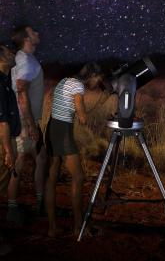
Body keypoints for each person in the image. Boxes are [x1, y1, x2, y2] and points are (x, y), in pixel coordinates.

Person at [45, 62, 104, 238]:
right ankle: (79, 227)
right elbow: (83, 117)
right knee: (78, 177)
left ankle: (52, 228)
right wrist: (95, 107)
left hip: (52, 128)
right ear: (92, 75)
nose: (96, 84)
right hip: (63, 132)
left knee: (51, 179)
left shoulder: (65, 81)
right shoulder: (78, 85)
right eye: (98, 79)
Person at [8, 25, 47, 224]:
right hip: (25, 121)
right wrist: (30, 125)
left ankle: (40, 202)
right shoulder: (25, 61)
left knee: (40, 158)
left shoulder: (25, 59)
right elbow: (21, 92)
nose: (38, 33)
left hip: (26, 119)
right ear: (26, 39)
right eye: (34, 32)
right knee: (19, 161)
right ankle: (12, 209)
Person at [0, 45, 21, 256]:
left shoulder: (5, 79)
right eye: (8, 52)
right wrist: (8, 150)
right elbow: (2, 121)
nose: (13, 53)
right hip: (2, 141)